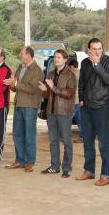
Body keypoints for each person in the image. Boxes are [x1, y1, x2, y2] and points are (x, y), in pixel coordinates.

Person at [76, 38, 109, 186]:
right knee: (87, 140)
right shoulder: (85, 63)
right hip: (86, 107)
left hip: (102, 107)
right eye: (94, 49)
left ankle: (106, 175)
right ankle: (89, 171)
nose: (97, 52)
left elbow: (108, 80)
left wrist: (97, 64)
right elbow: (82, 83)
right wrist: (81, 99)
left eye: (100, 49)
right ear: (88, 50)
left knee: (104, 143)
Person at [4, 46, 43, 172]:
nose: (20, 55)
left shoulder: (37, 70)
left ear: (29, 55)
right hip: (19, 104)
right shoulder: (21, 67)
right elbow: (16, 86)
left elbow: (32, 89)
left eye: (22, 53)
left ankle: (30, 162)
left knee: (29, 134)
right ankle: (20, 160)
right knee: (17, 134)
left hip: (30, 106)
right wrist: (12, 85)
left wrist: (16, 84)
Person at [39, 49, 77, 177]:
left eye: (59, 57)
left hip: (64, 112)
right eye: (55, 57)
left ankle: (67, 168)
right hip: (51, 111)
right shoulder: (50, 74)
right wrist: (45, 90)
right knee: (53, 140)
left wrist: (52, 87)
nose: (56, 59)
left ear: (65, 59)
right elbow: (48, 95)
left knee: (66, 141)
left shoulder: (70, 75)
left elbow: (69, 94)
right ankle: (55, 166)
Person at [69, 58, 84, 142]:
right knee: (79, 119)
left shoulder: (74, 74)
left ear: (72, 66)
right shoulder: (81, 73)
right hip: (78, 100)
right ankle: (82, 137)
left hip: (75, 100)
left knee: (68, 118)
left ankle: (63, 136)